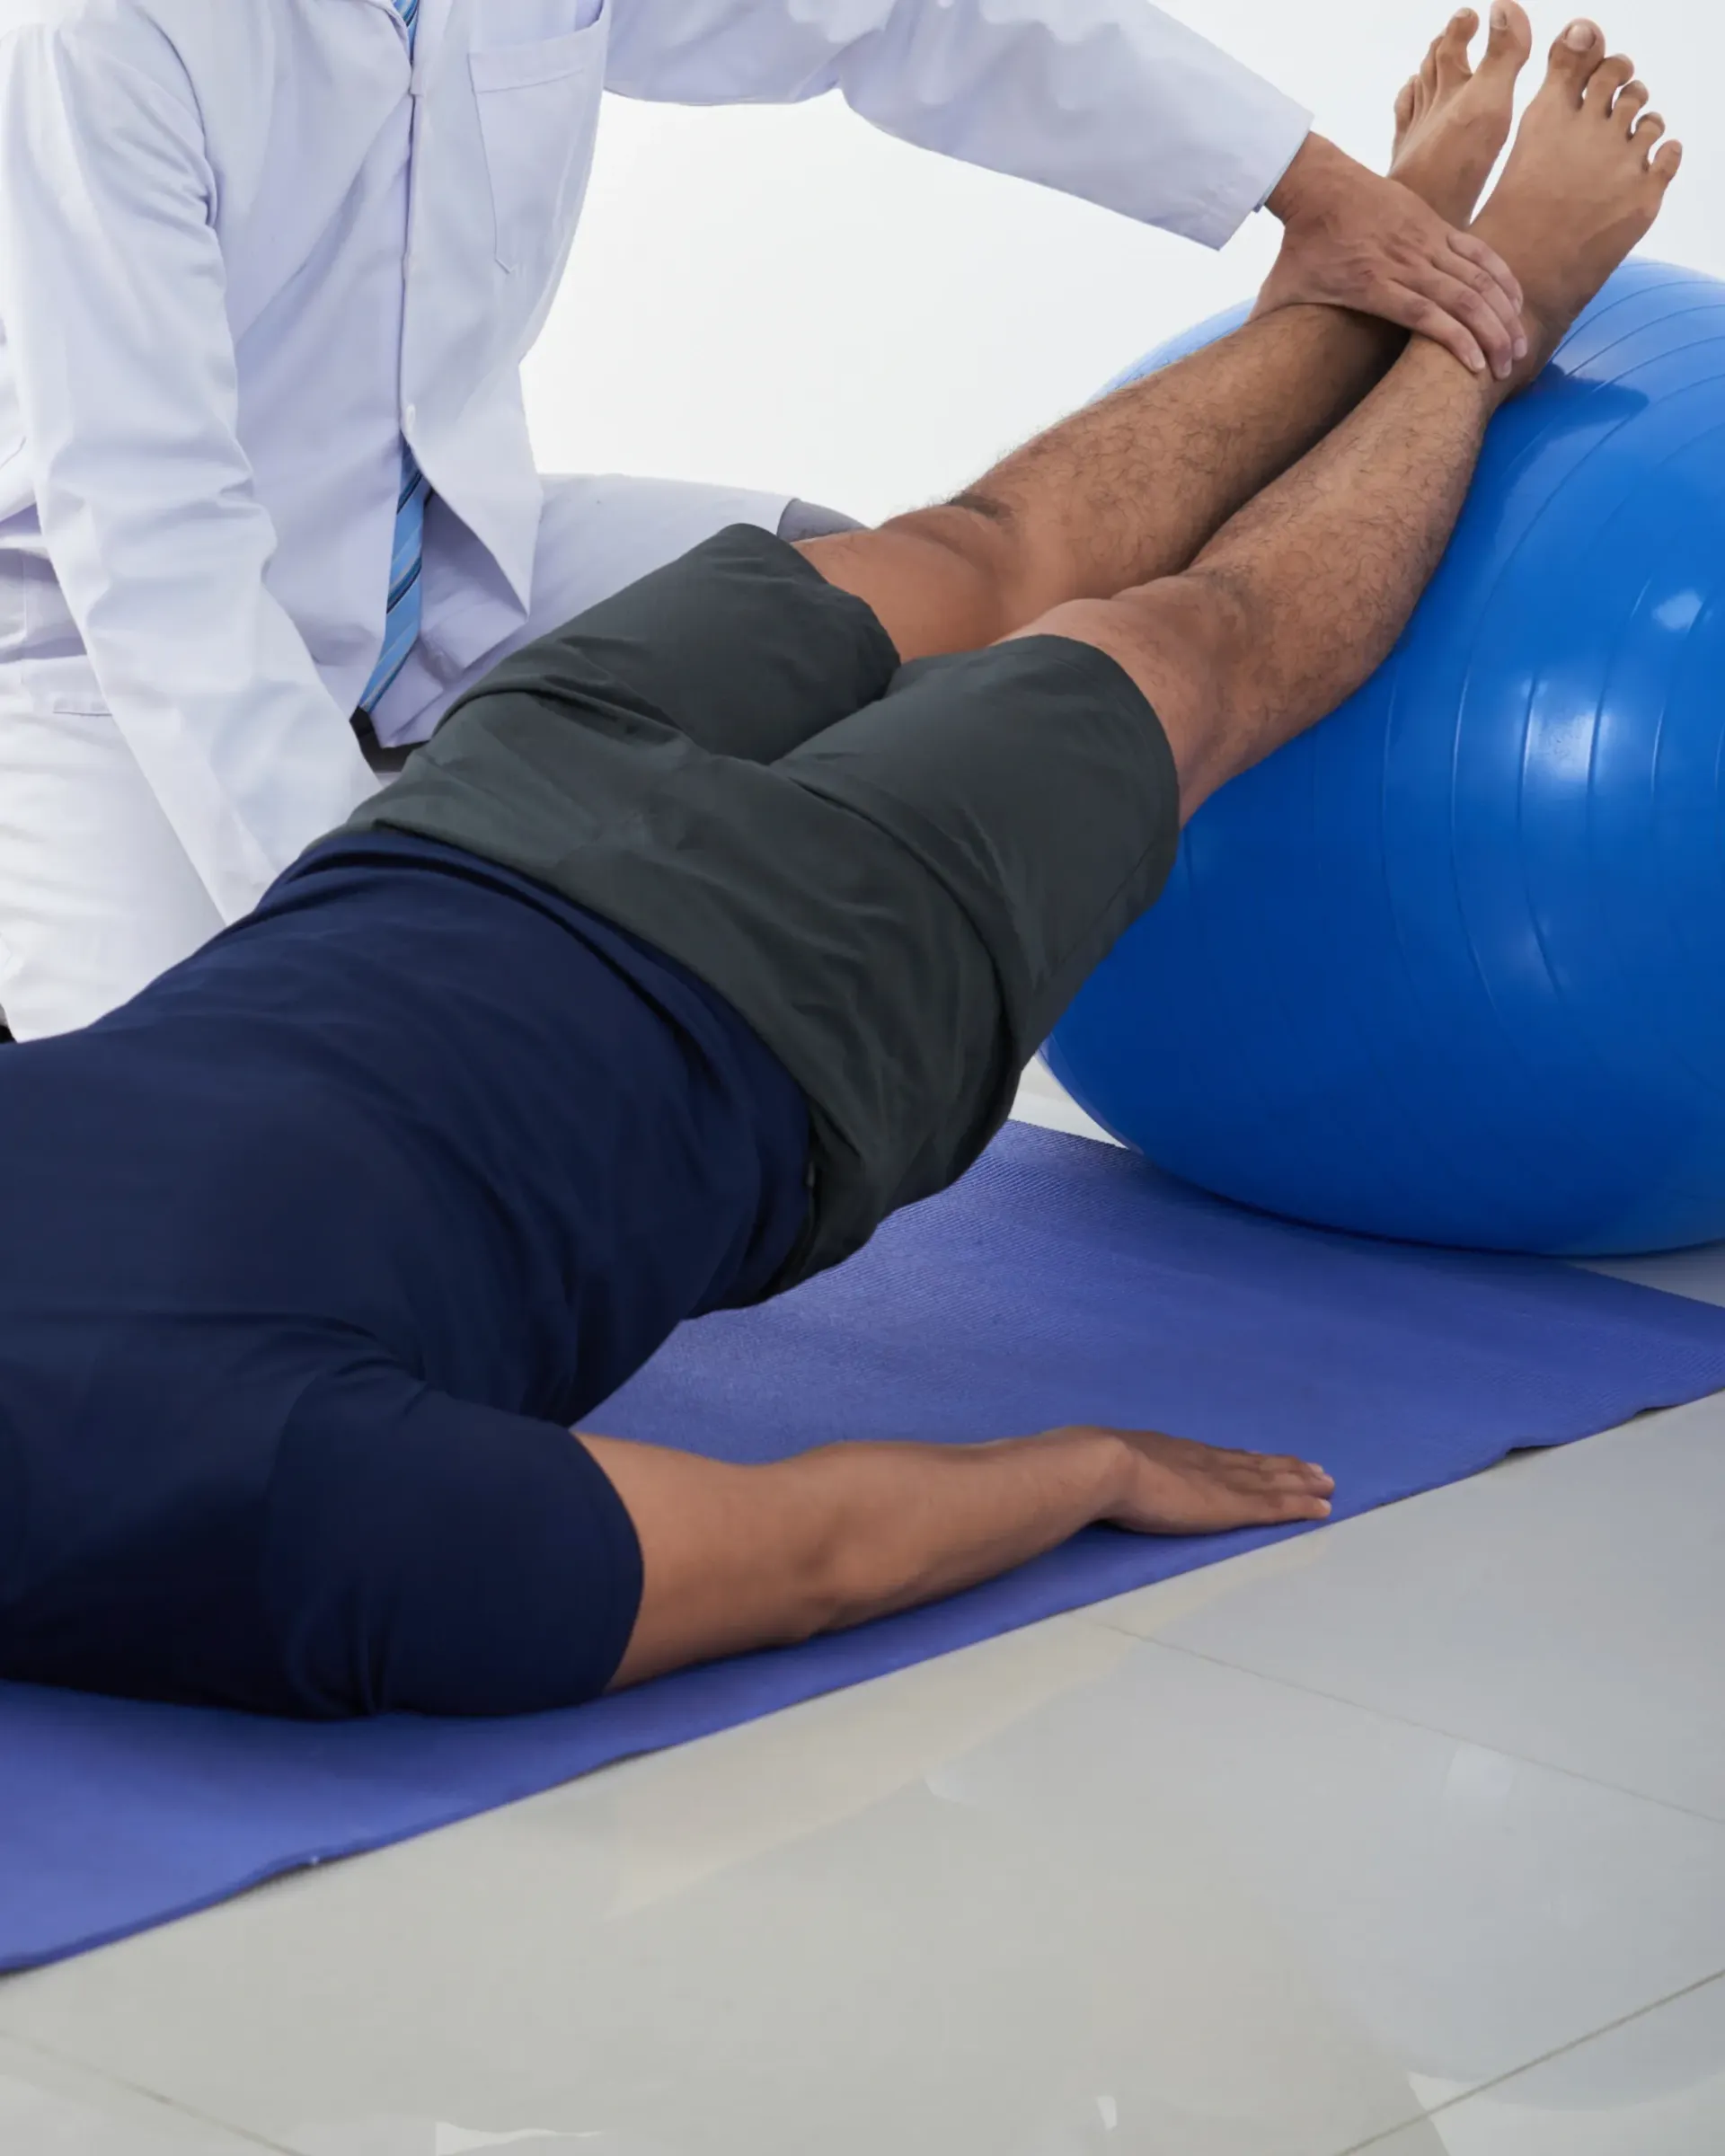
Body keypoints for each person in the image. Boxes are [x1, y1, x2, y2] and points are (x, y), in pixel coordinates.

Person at [0, 14, 1678, 1719]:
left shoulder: (266, 1508)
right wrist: (1082, 1469)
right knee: (1178, 653)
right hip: (765, 1006)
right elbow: (800, 1554)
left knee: (979, 553)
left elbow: (885, 7)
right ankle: (1489, 327)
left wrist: (1295, 185)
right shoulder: (278, 1517)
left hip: (450, 828)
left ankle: (1381, 274)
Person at [0, 0, 1533, 1042]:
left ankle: (1321, 313)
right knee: (269, 1168)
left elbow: (903, 10)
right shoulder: (105, 35)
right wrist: (376, 920)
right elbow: (157, 541)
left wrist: (1298, 179)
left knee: (892, 630)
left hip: (446, 558)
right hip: (91, 664)